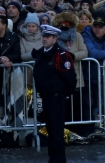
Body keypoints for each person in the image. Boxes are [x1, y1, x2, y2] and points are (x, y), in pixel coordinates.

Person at [32, 25, 77, 163]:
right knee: (51, 129)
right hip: (46, 96)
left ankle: (59, 159)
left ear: (55, 38)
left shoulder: (60, 55)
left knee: (57, 130)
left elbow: (70, 78)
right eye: (43, 36)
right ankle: (53, 158)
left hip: (56, 96)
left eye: (47, 37)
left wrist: (64, 93)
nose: (44, 39)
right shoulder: (41, 53)